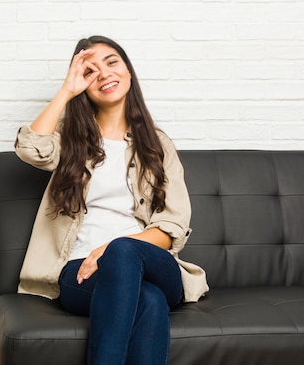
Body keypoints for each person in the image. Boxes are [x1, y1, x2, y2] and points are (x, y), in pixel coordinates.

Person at [13, 35, 209, 365]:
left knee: (123, 251)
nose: (103, 73)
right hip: (80, 271)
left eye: (112, 62)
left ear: (129, 72)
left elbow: (172, 225)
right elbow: (31, 150)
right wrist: (65, 91)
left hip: (150, 263)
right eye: (90, 71)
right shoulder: (69, 140)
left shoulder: (158, 144)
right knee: (148, 301)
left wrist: (111, 248)